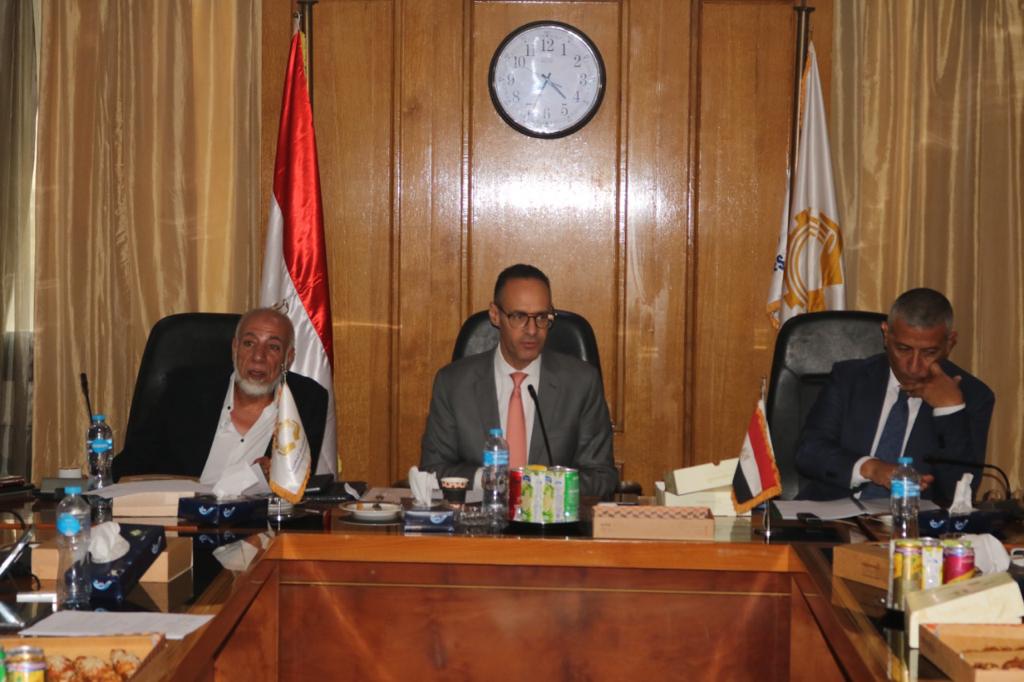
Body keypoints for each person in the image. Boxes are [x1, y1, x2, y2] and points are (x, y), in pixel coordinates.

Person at [420, 264, 618, 498]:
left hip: (551, 518)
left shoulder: (581, 383)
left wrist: (537, 486)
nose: (532, 330)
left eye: (541, 317)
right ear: (495, 315)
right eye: (519, 316)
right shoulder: (453, 384)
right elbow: (433, 470)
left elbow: (601, 476)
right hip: (478, 517)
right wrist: (490, 479)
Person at [795, 288, 994, 504]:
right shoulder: (849, 378)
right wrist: (871, 468)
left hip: (914, 520)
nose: (914, 366)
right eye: (903, 349)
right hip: (831, 514)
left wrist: (950, 410)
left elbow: (959, 494)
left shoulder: (973, 396)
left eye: (929, 353)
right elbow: (808, 452)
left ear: (950, 343)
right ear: (886, 334)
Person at [112, 307, 329, 485]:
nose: (258, 357)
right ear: (235, 347)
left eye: (273, 347)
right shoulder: (186, 390)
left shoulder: (307, 400)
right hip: (181, 517)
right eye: (249, 343)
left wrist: (275, 476)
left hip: (256, 521)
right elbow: (127, 467)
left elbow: (298, 483)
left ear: (288, 358)